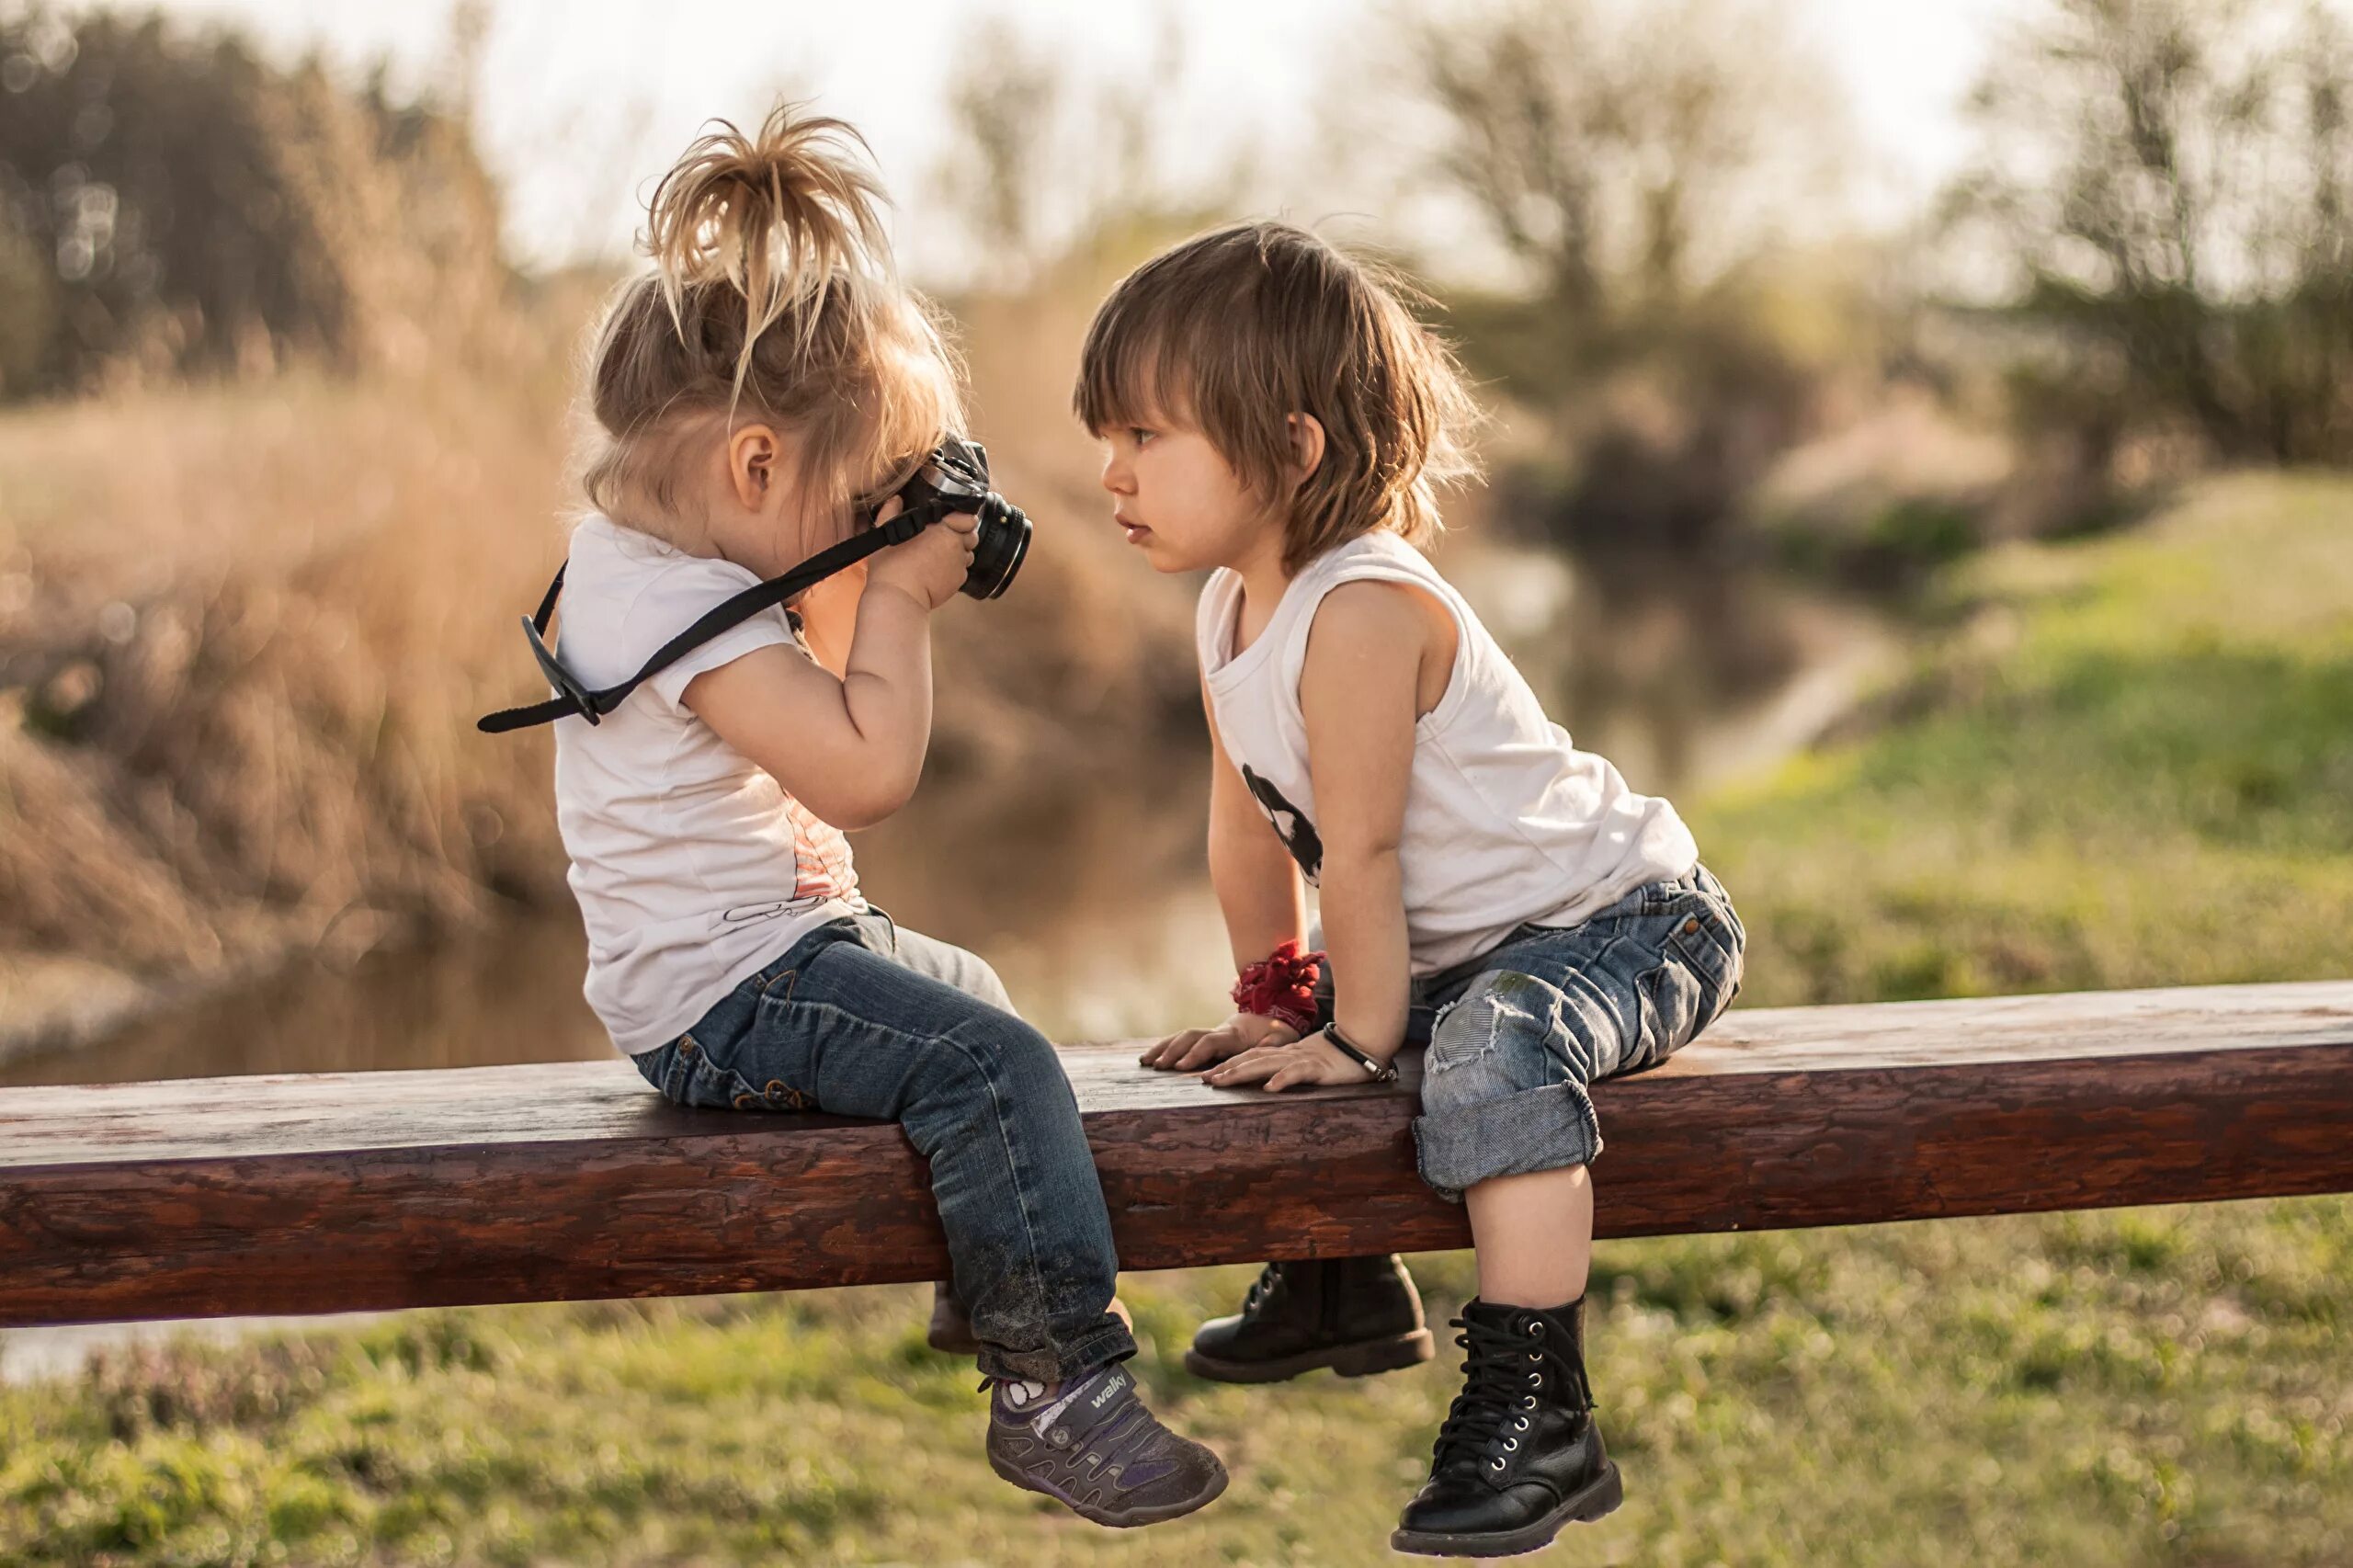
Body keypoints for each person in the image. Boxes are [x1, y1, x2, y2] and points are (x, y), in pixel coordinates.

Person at [533, 104, 1224, 1528]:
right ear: (757, 469)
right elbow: (863, 773)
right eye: (853, 498)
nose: (868, 526)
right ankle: (1056, 1386)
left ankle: (992, 1277)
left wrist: (868, 539)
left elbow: (819, 646)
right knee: (993, 1061)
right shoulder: (679, 613)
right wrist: (904, 588)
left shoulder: (652, 562)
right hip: (723, 992)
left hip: (756, 950)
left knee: (970, 997)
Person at [1075, 220, 1745, 1557]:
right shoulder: (1228, 611)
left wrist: (1358, 1033)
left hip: (1621, 925)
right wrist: (1281, 1003)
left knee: (1479, 1045)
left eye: (1147, 436)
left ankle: (1539, 1408)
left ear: (1295, 446)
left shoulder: (1368, 607)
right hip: (1482, 947)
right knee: (1318, 1039)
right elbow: (1252, 836)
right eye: (1111, 437)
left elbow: (1364, 853)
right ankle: (1342, 1285)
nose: (1113, 470)